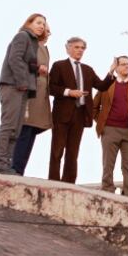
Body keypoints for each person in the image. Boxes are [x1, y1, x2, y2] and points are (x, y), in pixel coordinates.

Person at [48, 37, 116, 184]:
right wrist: (69, 92)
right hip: (61, 115)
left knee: (73, 152)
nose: (80, 50)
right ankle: (53, 182)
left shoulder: (88, 70)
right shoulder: (59, 66)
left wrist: (111, 72)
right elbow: (51, 88)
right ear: (68, 48)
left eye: (82, 48)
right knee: (57, 150)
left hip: (80, 115)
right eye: (76, 47)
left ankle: (69, 183)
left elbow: (102, 86)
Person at [0, 13, 46, 175]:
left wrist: (36, 69)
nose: (41, 26)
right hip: (13, 86)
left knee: (16, 129)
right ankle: (1, 164)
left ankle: (7, 165)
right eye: (38, 22)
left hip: (22, 88)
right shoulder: (22, 36)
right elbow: (14, 59)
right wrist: (22, 82)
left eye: (43, 24)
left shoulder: (32, 41)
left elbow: (25, 62)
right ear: (29, 23)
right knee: (8, 126)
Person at [93, 55, 128, 197]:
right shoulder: (107, 85)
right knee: (108, 165)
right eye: (123, 64)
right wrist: (102, 122)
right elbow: (94, 107)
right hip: (110, 130)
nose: (127, 66)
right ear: (116, 68)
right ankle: (107, 192)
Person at [11, 25, 53, 175]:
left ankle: (19, 169)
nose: (48, 33)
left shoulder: (44, 48)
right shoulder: (29, 43)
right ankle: (14, 168)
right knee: (24, 130)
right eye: (47, 30)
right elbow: (20, 61)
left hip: (41, 96)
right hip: (30, 93)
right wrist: (37, 68)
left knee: (31, 133)